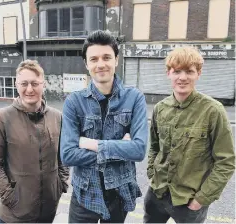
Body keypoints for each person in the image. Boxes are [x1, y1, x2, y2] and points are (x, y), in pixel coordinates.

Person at [60, 30, 148, 223]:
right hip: (84, 193)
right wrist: (121, 147)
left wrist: (91, 144)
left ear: (116, 60)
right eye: (94, 59)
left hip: (120, 191)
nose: (101, 64)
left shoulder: (134, 98)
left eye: (107, 57)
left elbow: (139, 150)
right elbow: (67, 154)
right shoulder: (74, 102)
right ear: (86, 64)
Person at [143, 47, 235, 223]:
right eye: (177, 71)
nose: (182, 77)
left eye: (189, 71)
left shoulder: (213, 111)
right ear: (168, 73)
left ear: (198, 73)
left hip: (189, 202)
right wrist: (151, 173)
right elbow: (155, 146)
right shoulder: (160, 108)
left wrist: (201, 199)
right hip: (156, 194)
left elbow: (226, 161)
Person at [0, 60, 69, 223]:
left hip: (47, 213)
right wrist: (11, 198)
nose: (29, 89)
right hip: (13, 217)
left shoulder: (57, 117)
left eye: (35, 83)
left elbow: (63, 154)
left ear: (43, 85)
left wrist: (60, 184)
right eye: (24, 83)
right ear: (17, 85)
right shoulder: (2, 117)